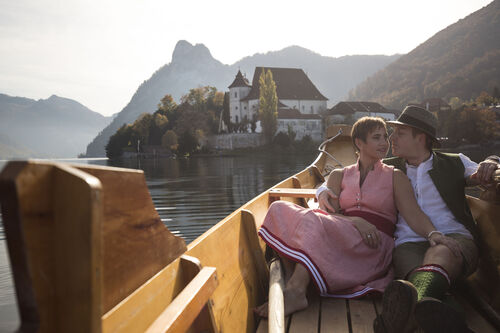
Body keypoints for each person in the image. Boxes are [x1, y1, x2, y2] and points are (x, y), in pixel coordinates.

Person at [316, 106, 499, 332]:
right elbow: (344, 176)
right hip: (407, 244)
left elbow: (487, 173)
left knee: (439, 253)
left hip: (455, 239)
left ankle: (397, 321)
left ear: (420, 137)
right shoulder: (388, 167)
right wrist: (322, 190)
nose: (391, 139)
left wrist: (492, 160)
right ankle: (450, 322)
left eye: (399, 133)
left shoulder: (455, 162)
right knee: (424, 284)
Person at [254, 116, 460, 317]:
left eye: (385, 137)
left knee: (313, 221)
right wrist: (356, 221)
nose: (385, 143)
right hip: (342, 234)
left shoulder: (395, 176)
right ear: (359, 143)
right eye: (377, 137)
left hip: (374, 245)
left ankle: (297, 290)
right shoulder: (338, 175)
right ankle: (295, 281)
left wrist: (433, 233)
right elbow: (328, 215)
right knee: (279, 207)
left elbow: (413, 213)